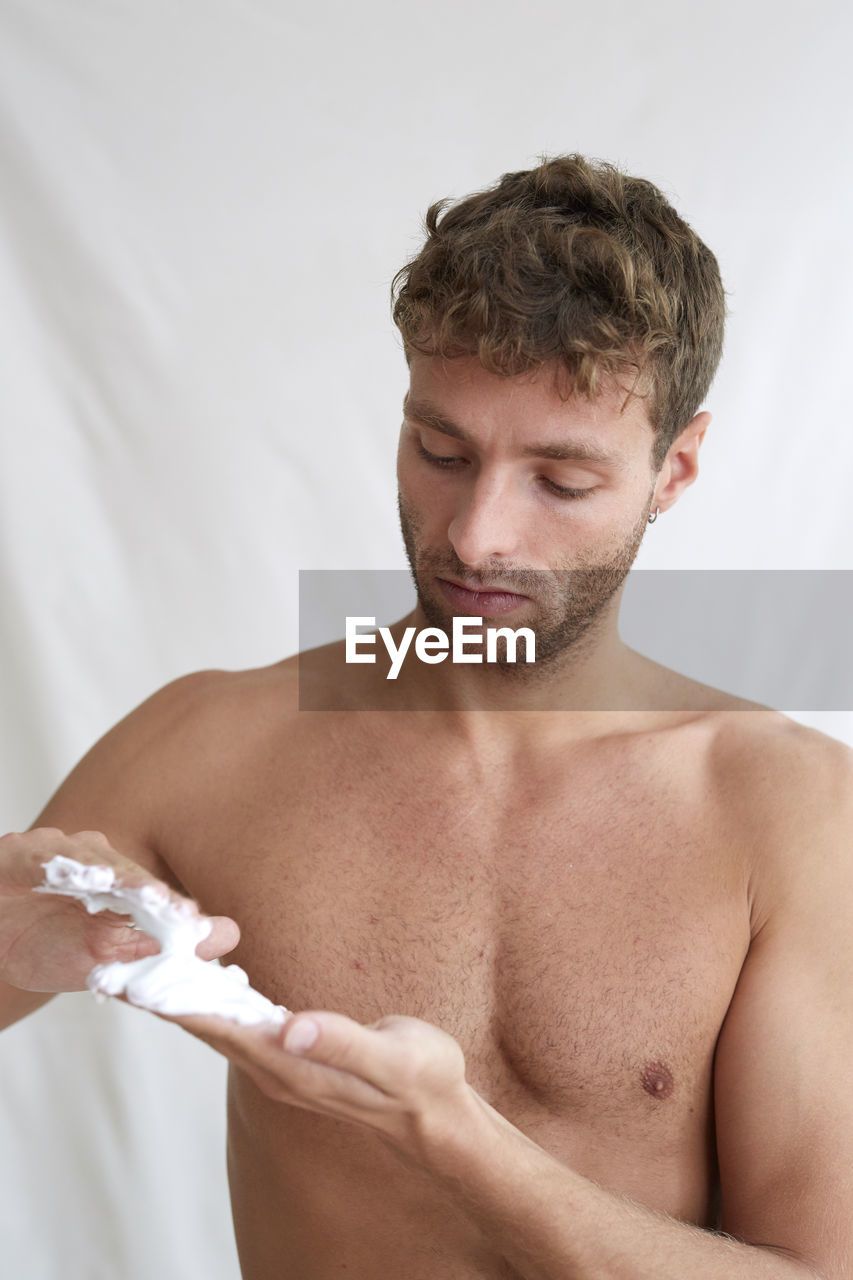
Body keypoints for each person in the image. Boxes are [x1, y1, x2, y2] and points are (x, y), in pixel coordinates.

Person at [1, 154, 850, 1280]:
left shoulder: (788, 810)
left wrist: (456, 1142)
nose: (477, 533)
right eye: (442, 453)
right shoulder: (210, 742)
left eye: (560, 479)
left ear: (674, 469)